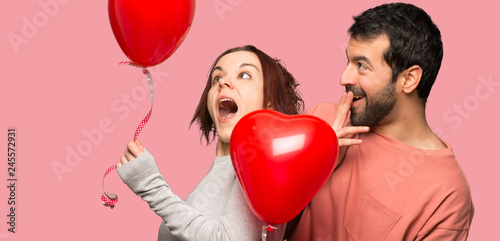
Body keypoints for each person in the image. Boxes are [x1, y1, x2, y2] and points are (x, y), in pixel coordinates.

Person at [115, 45, 366, 241]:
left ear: (269, 103)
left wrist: (150, 185)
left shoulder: (258, 161)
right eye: (216, 78)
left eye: (244, 75)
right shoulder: (224, 169)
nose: (223, 82)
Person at [288, 3, 474, 241]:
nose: (344, 78)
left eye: (362, 66)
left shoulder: (448, 194)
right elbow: (264, 226)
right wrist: (314, 169)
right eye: (348, 62)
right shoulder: (322, 120)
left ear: (408, 79)